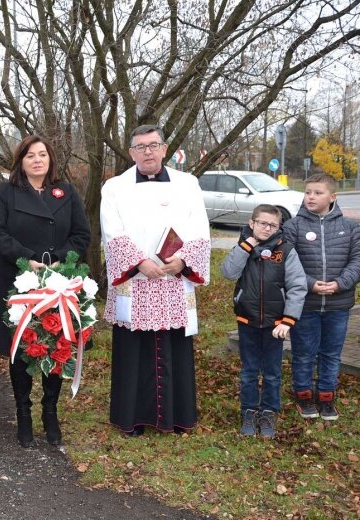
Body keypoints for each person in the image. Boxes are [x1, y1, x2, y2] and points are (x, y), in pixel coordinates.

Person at [100, 124, 211, 437]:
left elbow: (200, 229)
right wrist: (139, 263)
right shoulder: (114, 187)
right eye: (140, 147)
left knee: (173, 348)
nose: (147, 152)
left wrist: (184, 261)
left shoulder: (187, 184)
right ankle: (131, 419)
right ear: (132, 152)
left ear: (165, 149)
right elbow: (113, 232)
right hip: (135, 283)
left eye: (153, 145)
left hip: (174, 279)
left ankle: (177, 418)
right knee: (133, 350)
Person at [0, 135, 91, 447]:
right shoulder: (7, 192)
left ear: (50, 160)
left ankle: (50, 412)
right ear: (21, 161)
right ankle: (23, 413)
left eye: (42, 154)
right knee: (24, 349)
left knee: (54, 346)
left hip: (58, 282)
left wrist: (59, 262)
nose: (37, 160)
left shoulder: (66, 192)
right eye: (30, 155)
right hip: (19, 282)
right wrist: (24, 259)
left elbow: (81, 234)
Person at [221, 204, 306, 438]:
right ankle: (249, 410)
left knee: (272, 372)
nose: (267, 229)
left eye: (272, 225)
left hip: (275, 325)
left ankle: (268, 411)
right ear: (252, 223)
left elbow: (298, 286)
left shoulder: (286, 251)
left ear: (279, 227)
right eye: (262, 223)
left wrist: (287, 321)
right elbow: (228, 272)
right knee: (249, 371)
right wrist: (246, 247)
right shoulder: (244, 247)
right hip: (247, 320)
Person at [283, 174, 360, 421]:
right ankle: (303, 396)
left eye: (317, 192)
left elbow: (357, 261)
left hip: (338, 305)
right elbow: (285, 262)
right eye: (307, 192)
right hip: (305, 305)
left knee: (331, 353)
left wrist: (340, 283)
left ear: (332, 197)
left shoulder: (350, 227)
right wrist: (309, 284)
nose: (311, 197)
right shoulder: (293, 227)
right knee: (304, 352)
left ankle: (326, 396)